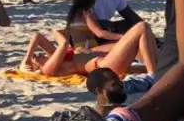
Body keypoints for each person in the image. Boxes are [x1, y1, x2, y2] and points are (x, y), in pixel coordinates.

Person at [19, 19, 157, 78]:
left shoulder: (53, 56)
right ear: (35, 68)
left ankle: (156, 69)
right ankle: (152, 77)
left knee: (143, 37)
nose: (36, 55)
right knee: (141, 27)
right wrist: (55, 32)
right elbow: (64, 43)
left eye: (35, 54)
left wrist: (27, 58)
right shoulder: (49, 68)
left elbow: (37, 36)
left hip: (104, 58)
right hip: (103, 65)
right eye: (35, 58)